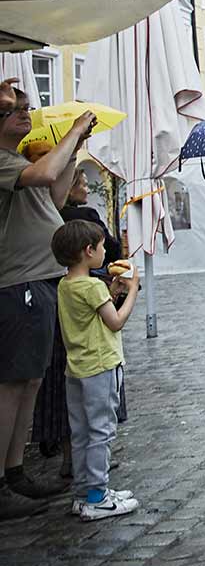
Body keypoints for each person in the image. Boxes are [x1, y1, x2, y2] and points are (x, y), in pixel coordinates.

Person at [0, 79, 94, 517]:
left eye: (25, 106)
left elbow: (54, 197)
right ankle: (2, 481)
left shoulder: (16, 161)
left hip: (38, 281)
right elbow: (44, 175)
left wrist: (73, 152)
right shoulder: (5, 163)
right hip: (17, 283)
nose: (24, 113)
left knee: (31, 381)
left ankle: (15, 471)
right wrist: (71, 132)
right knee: (12, 384)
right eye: (14, 109)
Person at [50, 220, 138, 521]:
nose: (104, 252)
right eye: (101, 247)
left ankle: (84, 493)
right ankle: (98, 496)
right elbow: (115, 321)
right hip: (101, 366)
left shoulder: (66, 284)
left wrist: (111, 292)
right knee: (102, 430)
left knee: (82, 432)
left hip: (76, 370)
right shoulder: (90, 286)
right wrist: (133, 291)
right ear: (89, 251)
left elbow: (93, 314)